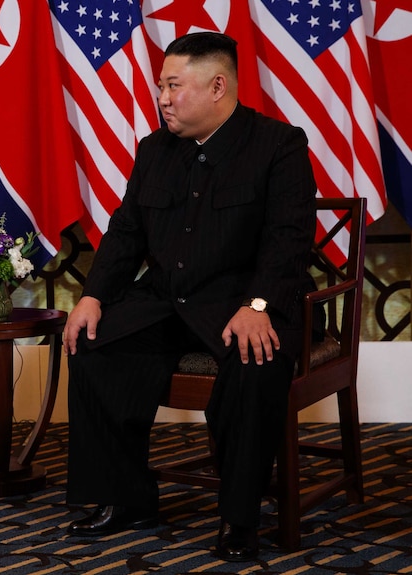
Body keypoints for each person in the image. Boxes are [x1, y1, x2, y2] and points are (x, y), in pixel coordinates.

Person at [63, 32, 317, 562]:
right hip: (168, 302)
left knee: (255, 363)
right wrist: (92, 296)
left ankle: (239, 518)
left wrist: (260, 306)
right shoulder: (155, 150)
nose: (162, 97)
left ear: (217, 86)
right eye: (161, 86)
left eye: (173, 86)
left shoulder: (279, 145)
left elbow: (289, 239)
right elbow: (126, 232)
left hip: (243, 302)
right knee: (93, 345)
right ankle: (126, 499)